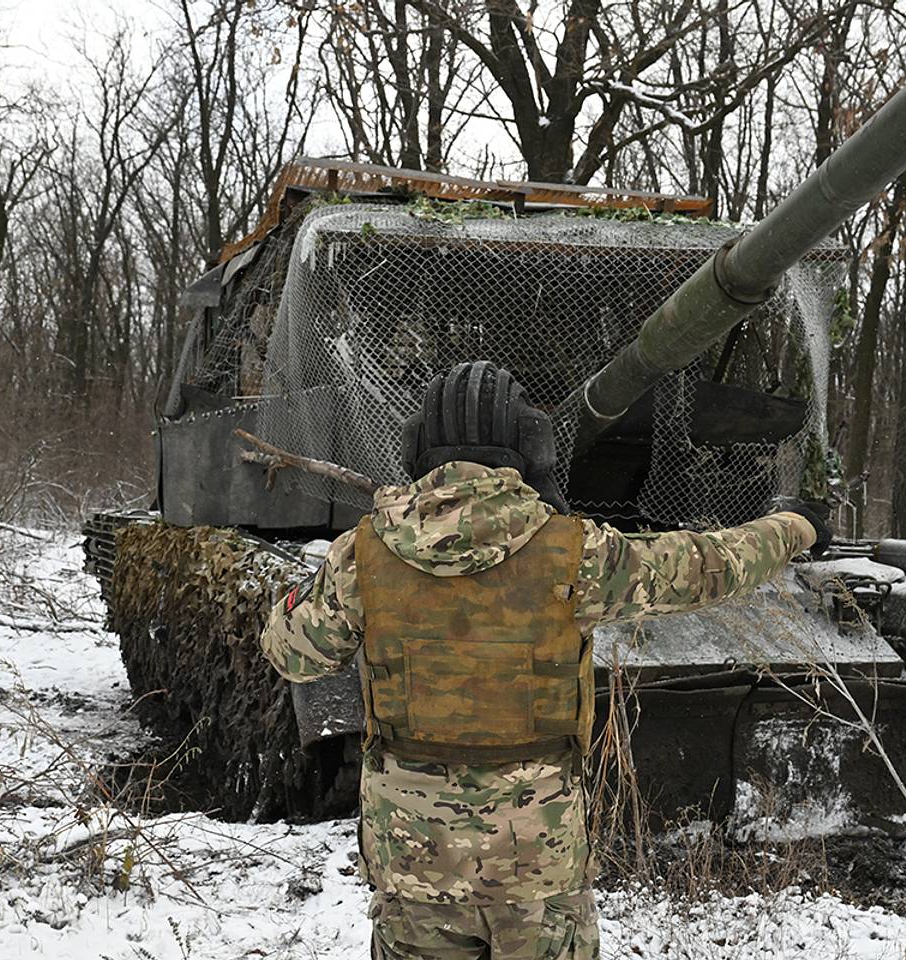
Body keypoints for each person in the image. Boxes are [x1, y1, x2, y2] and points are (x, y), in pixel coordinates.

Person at [260, 361, 829, 960]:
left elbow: (289, 652)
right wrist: (794, 526)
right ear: (531, 445)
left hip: (413, 866)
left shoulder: (364, 555)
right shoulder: (575, 552)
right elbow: (711, 565)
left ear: (416, 447)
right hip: (539, 866)